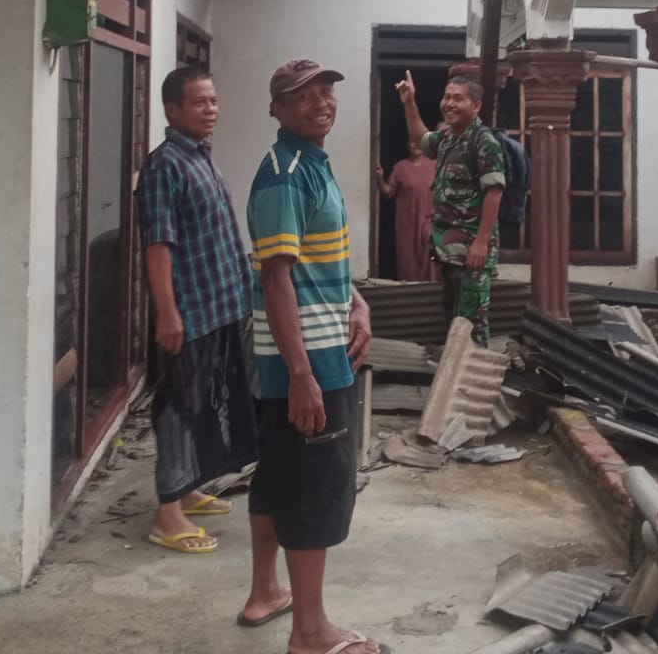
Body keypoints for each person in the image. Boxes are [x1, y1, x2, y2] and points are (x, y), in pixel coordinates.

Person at [247, 58, 388, 654]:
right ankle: (310, 633)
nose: (321, 101)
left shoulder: (311, 165)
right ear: (276, 109)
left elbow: (314, 258)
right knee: (313, 492)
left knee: (279, 477)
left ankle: (266, 592)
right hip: (309, 362)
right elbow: (276, 276)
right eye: (303, 95)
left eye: (326, 90)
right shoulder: (285, 174)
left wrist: (356, 300)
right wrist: (302, 374)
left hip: (316, 350)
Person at [137, 67, 265, 571]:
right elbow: (158, 244)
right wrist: (167, 311)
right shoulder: (164, 166)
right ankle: (167, 514)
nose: (211, 109)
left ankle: (187, 488)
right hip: (189, 312)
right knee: (178, 406)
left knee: (206, 404)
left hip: (220, 306)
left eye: (213, 101)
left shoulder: (200, 156)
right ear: (172, 110)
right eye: (199, 102)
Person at [395, 70, 505, 346]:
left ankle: (473, 372)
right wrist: (409, 103)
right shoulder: (447, 138)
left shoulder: (484, 142)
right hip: (449, 252)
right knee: (454, 319)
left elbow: (494, 192)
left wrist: (481, 242)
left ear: (476, 106)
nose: (449, 104)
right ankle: (455, 369)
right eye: (446, 97)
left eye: (458, 98)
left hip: (472, 252)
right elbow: (421, 138)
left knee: (471, 324)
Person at [374, 138, 437, 281]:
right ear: (407, 145)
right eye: (413, 141)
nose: (417, 145)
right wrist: (379, 178)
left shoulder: (434, 165)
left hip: (429, 219)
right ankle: (410, 289)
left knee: (431, 250)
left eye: (420, 141)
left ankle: (432, 288)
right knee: (408, 257)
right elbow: (388, 191)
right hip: (408, 222)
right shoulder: (400, 167)